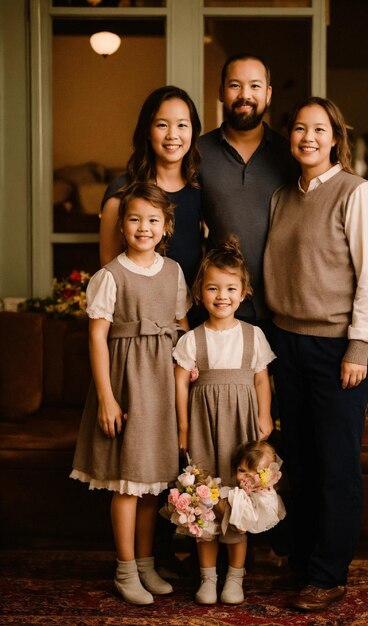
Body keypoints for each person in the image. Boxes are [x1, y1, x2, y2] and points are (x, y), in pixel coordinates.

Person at [263, 96, 368, 612]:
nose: (307, 138)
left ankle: (328, 573)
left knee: (337, 466)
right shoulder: (281, 197)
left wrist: (358, 346)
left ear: (336, 137)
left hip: (339, 347)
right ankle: (302, 563)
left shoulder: (355, 193)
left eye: (318, 129)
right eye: (298, 129)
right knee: (302, 462)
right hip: (286, 343)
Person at [71, 182, 191, 606]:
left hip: (160, 383)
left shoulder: (174, 272)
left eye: (153, 220)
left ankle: (144, 563)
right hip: (126, 381)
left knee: (152, 483)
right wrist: (107, 397)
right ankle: (124, 568)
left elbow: (182, 328)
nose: (144, 227)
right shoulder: (110, 276)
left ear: (166, 227)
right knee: (127, 483)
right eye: (135, 219)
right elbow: (97, 338)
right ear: (122, 226)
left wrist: (190, 369)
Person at [172, 236, 275, 605]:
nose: (222, 296)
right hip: (203, 428)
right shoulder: (192, 340)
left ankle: (235, 578)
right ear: (200, 293)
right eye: (213, 288)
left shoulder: (254, 336)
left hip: (241, 430)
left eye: (230, 288)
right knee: (206, 501)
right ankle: (206, 578)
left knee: (236, 499)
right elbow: (180, 383)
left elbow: (262, 377)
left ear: (244, 292)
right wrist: (183, 428)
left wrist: (264, 415)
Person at [199, 53, 299, 328]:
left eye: (254, 86)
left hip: (282, 309)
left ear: (268, 94)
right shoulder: (197, 153)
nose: (245, 95)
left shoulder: (291, 155)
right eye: (235, 85)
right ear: (221, 92)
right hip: (219, 308)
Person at [100, 85, 203, 290]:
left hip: (194, 310)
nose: (172, 135)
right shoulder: (123, 191)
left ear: (193, 131)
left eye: (182, 125)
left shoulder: (200, 187)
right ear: (147, 131)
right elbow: (109, 270)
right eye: (162, 125)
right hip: (141, 313)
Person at [218, 440, 286, 536]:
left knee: (234, 496)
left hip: (260, 510)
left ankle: (241, 524)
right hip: (254, 504)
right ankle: (239, 523)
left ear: (268, 475)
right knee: (230, 495)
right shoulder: (250, 485)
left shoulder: (264, 487)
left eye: (257, 474)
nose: (246, 479)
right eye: (241, 470)